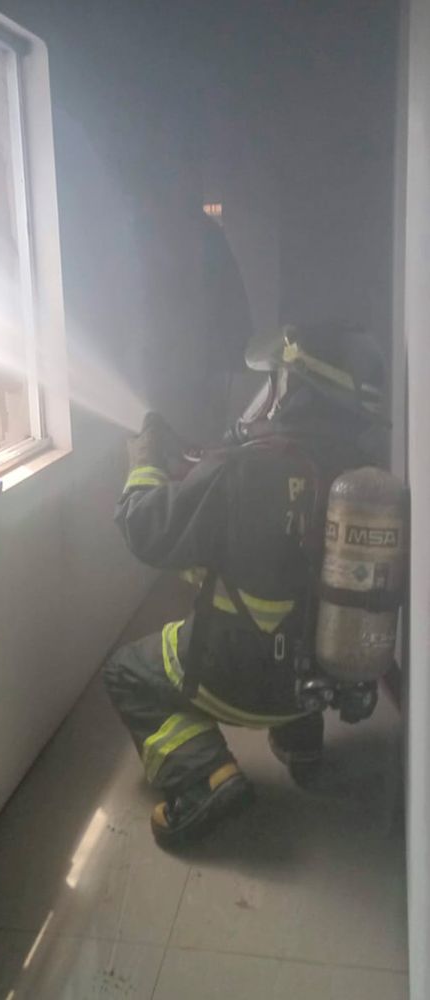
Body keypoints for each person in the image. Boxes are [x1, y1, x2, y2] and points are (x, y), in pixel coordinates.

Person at [103, 323, 388, 849]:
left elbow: (145, 530)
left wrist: (144, 466)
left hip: (231, 676)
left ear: (295, 387)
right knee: (302, 610)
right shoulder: (366, 478)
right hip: (317, 684)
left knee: (126, 670)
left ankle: (206, 775)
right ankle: (302, 746)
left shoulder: (240, 469)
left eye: (277, 380)